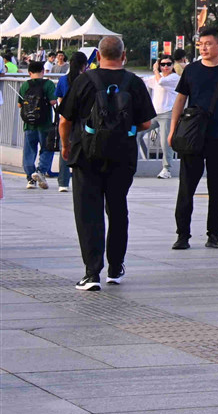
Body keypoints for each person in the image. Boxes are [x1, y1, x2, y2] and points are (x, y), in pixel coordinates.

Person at [58, 36, 155, 291]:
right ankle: (115, 267)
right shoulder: (134, 83)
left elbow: (65, 119)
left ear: (98, 57)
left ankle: (92, 273)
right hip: (122, 156)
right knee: (118, 208)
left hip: (86, 155)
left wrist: (66, 146)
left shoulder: (84, 81)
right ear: (124, 56)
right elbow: (146, 123)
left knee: (88, 212)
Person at [168, 26, 218, 250]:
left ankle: (214, 234)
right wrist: (173, 129)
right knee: (186, 188)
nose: (204, 48)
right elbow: (179, 101)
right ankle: (182, 235)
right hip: (192, 138)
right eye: (201, 44)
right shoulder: (191, 70)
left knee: (217, 190)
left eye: (208, 43)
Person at [17, 58, 57, 188]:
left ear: (29, 72)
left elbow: (19, 104)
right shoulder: (49, 84)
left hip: (28, 124)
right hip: (45, 123)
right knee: (47, 148)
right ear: (42, 71)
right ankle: (40, 171)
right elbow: (53, 101)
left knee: (29, 150)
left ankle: (30, 178)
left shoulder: (25, 85)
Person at [54, 51, 90, 193]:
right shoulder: (87, 79)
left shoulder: (63, 80)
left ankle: (63, 182)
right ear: (84, 65)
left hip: (67, 118)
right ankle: (83, 180)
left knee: (66, 148)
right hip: (84, 120)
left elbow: (60, 100)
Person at [145, 56, 180, 178]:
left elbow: (161, 82)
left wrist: (155, 69)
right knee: (137, 133)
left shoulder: (174, 78)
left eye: (168, 64)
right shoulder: (157, 76)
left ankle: (167, 169)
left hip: (167, 113)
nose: (165, 66)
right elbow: (144, 81)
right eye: (163, 64)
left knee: (165, 141)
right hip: (154, 113)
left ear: (172, 65)